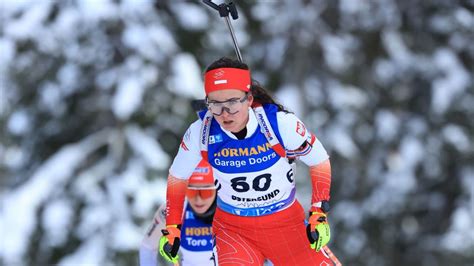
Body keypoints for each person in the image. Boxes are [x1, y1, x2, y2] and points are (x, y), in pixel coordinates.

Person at [160, 57, 335, 265]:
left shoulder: (279, 124)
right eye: (215, 104)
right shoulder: (201, 132)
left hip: (287, 225)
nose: (225, 114)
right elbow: (177, 177)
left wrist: (318, 212)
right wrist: (172, 227)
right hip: (234, 231)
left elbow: (319, 160)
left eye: (233, 103)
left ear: (249, 99)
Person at [140, 160, 217, 266]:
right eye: (192, 192)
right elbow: (147, 247)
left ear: (216, 190)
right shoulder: (172, 209)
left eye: (206, 193)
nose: (198, 200)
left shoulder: (230, 208)